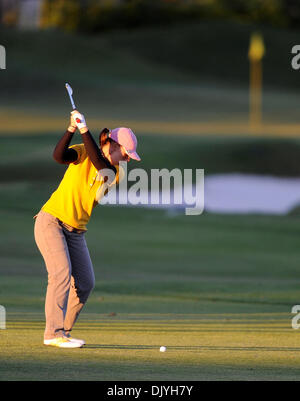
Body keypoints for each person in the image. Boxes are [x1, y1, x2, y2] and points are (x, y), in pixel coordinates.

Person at [34, 110, 141, 348]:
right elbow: (59, 156)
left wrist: (84, 129)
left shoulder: (116, 173)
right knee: (61, 274)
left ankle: (64, 332)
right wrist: (72, 129)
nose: (127, 159)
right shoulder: (83, 151)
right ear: (112, 144)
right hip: (51, 221)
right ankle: (53, 333)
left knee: (85, 283)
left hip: (75, 230)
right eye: (125, 153)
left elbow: (99, 163)